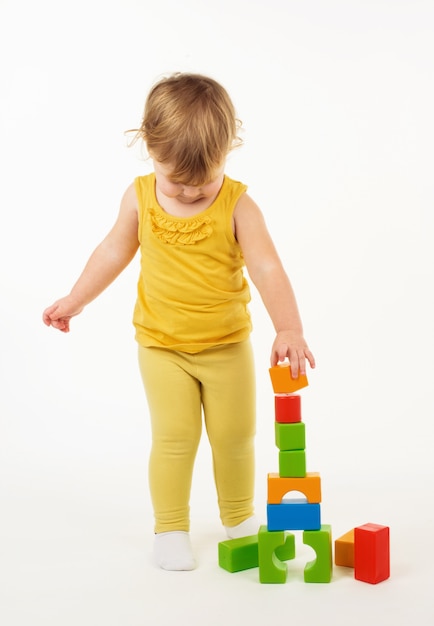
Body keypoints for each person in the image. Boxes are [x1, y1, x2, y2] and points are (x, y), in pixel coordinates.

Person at [42, 72, 315, 571]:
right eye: (176, 182)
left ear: (229, 151)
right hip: (162, 347)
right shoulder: (140, 197)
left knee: (236, 436)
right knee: (175, 437)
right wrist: (76, 298)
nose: (189, 194)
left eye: (202, 182)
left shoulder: (239, 205)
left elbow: (267, 266)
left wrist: (289, 327)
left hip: (227, 346)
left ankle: (238, 518)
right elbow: (112, 251)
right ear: (149, 148)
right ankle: (170, 528)